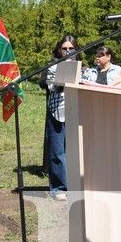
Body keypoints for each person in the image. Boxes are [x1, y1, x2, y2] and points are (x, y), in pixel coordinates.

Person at [41, 34, 78, 201]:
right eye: (65, 48)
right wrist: (60, 80)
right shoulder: (52, 65)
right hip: (57, 111)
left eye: (71, 48)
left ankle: (76, 185)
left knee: (75, 151)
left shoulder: (82, 67)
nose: (68, 51)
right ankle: (59, 188)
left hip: (77, 111)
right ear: (59, 50)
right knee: (57, 151)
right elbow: (48, 85)